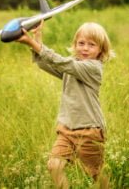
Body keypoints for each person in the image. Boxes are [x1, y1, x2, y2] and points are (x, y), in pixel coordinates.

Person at [16, 21, 113, 188]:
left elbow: (63, 63)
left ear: (100, 51)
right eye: (81, 43)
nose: (85, 48)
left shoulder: (93, 68)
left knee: (96, 175)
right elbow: (45, 62)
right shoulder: (73, 65)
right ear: (74, 45)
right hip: (67, 129)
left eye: (91, 45)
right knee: (54, 166)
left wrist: (31, 43)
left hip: (89, 131)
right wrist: (37, 37)